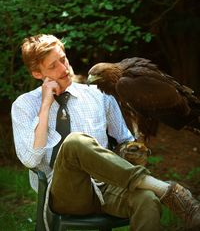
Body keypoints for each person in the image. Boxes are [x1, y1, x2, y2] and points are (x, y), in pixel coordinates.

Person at [11, 34, 200, 231]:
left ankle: (155, 191)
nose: (64, 68)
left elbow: (125, 140)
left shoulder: (100, 94)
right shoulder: (24, 106)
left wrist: (131, 150)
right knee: (75, 143)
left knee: (147, 199)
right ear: (37, 74)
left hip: (109, 186)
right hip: (66, 193)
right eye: (53, 66)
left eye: (63, 59)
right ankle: (167, 191)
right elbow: (31, 160)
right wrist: (45, 105)